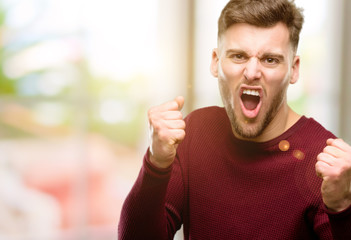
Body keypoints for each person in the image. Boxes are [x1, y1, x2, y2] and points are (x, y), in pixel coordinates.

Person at [118, 0, 351, 239]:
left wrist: (342, 208)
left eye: (270, 59)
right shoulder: (196, 133)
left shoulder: (325, 163)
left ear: (294, 69)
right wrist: (156, 163)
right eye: (238, 56)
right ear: (216, 62)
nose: (251, 72)